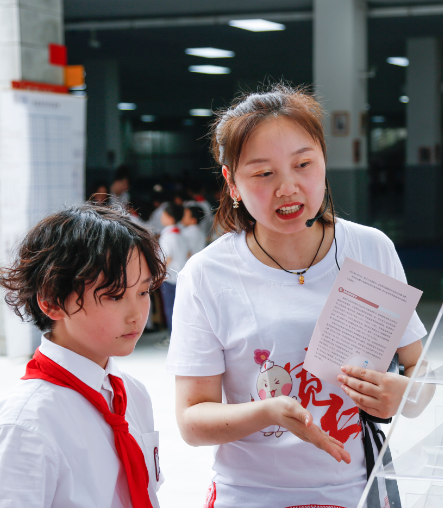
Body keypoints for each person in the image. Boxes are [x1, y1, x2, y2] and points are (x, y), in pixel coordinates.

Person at [165, 85, 428, 508]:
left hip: (354, 493)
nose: (288, 188)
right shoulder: (207, 274)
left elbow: (419, 365)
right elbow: (192, 420)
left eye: (303, 164)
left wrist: (408, 393)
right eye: (264, 173)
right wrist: (264, 413)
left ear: (324, 163)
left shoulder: (370, 249)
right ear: (232, 182)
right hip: (250, 497)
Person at [0, 203, 167, 508]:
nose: (137, 314)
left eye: (143, 292)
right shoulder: (24, 426)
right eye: (115, 295)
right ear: (52, 301)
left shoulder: (132, 395)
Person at [159, 202, 188, 336]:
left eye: (163, 215)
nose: (161, 218)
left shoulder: (167, 236)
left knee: (170, 309)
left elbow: (167, 258)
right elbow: (189, 254)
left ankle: (174, 337)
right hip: (182, 276)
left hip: (169, 278)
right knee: (181, 309)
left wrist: (158, 274)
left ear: (170, 218)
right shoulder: (181, 235)